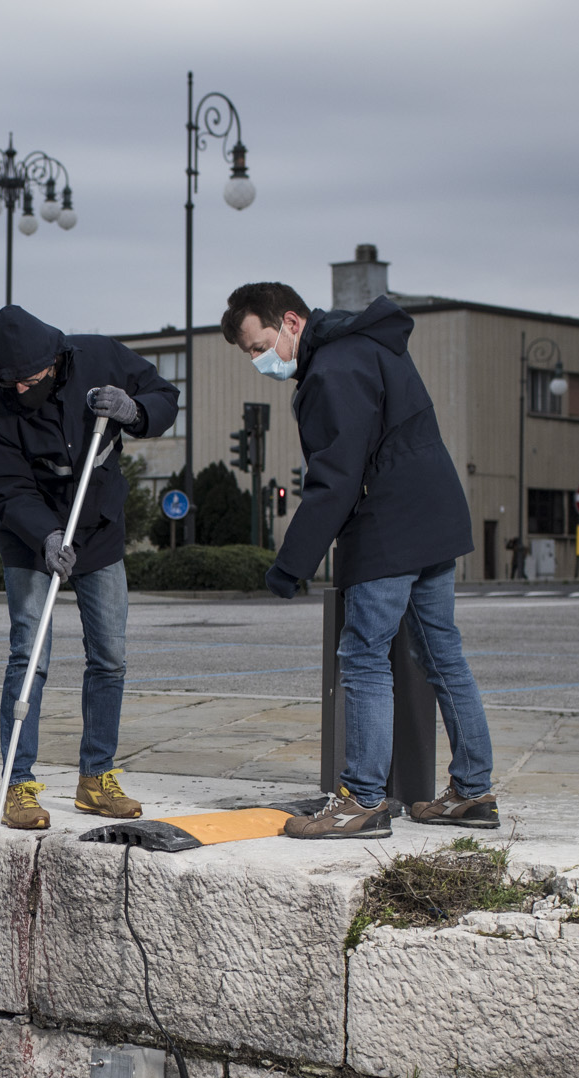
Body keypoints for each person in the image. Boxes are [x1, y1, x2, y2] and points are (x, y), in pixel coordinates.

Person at [221, 281, 499, 838]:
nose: (259, 361)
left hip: (388, 527)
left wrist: (290, 565)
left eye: (261, 346)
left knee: (364, 656)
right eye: (250, 353)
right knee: (443, 656)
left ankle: (363, 801)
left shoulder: (332, 370)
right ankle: (473, 793)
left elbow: (336, 477)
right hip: (434, 517)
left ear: (291, 322)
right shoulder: (368, 345)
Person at [0, 304, 180, 831]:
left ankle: (96, 777)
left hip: (98, 524)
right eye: (10, 382)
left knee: (109, 656)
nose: (20, 390)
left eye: (30, 379)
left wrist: (134, 410)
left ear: (55, 361)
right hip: (31, 534)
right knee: (29, 655)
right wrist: (45, 534)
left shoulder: (100, 357)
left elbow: (165, 396)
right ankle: (17, 784)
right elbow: (6, 488)